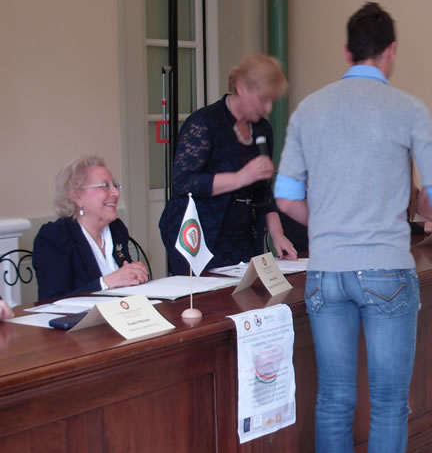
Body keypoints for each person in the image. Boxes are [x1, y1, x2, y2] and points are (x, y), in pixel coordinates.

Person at [274, 2, 432, 453]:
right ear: (391, 52)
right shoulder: (408, 109)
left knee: (332, 398)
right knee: (387, 399)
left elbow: (286, 197)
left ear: (347, 51)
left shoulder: (309, 108)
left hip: (325, 271)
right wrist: (416, 209)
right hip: (385, 269)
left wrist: (328, 223)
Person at [159, 54, 297, 274]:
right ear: (242, 88)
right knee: (210, 303)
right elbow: (183, 182)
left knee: (245, 300)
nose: (269, 108)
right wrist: (240, 178)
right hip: (199, 236)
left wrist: (277, 234)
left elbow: (263, 190)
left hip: (242, 235)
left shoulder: (262, 129)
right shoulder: (204, 123)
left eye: (272, 100)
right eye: (264, 99)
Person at [33, 155, 150, 301]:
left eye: (115, 185)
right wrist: (107, 282)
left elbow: (125, 283)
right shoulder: (54, 237)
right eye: (104, 186)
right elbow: (52, 300)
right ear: (77, 196)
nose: (116, 193)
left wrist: (135, 275)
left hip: (123, 317)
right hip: (81, 323)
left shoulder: (116, 229)